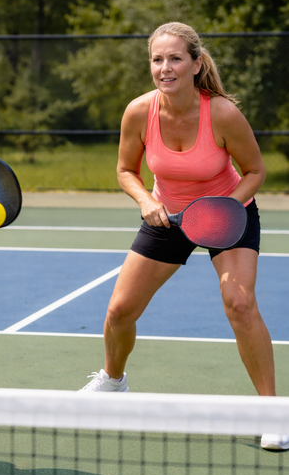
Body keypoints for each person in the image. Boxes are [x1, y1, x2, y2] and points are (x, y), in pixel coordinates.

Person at [80, 22, 281, 450]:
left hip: (227, 214)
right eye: (157, 59)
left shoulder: (222, 113)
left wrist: (224, 208)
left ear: (196, 64)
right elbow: (125, 170)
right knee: (119, 311)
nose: (165, 68)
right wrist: (144, 200)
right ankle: (113, 380)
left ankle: (273, 413)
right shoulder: (139, 111)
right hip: (167, 217)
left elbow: (255, 171)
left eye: (175, 58)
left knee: (240, 303)